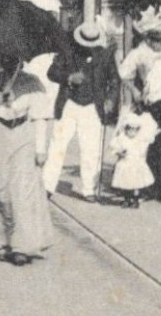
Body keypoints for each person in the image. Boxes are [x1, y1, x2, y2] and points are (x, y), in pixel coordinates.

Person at [0, 57, 53, 265]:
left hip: (23, 138)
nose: (9, 64)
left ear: (21, 63)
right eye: (5, 60)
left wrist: (41, 149)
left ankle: (22, 245)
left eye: (14, 60)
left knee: (22, 191)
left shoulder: (32, 83)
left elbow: (41, 117)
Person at [43, 20, 122, 202]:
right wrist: (69, 77)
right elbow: (52, 72)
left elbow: (115, 81)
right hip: (69, 104)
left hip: (93, 106)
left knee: (91, 148)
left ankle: (89, 189)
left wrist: (110, 100)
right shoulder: (67, 52)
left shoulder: (104, 55)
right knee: (57, 146)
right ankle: (47, 185)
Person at [119, 7, 161, 199]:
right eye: (153, 39)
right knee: (144, 143)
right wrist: (135, 91)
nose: (156, 43)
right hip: (148, 103)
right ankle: (140, 184)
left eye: (160, 39)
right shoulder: (140, 53)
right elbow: (124, 74)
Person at [110, 109, 160, 208]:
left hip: (136, 164)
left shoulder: (139, 140)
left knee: (136, 184)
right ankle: (127, 199)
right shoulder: (122, 138)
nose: (132, 132)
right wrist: (119, 152)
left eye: (135, 129)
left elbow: (149, 140)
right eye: (130, 129)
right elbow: (114, 147)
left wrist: (156, 131)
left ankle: (135, 200)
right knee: (126, 183)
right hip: (125, 164)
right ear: (126, 129)